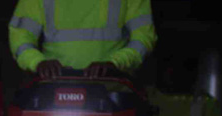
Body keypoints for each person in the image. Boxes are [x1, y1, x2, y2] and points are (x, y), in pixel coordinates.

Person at [9, 0, 157, 79]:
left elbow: (144, 38)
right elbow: (21, 37)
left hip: (114, 88)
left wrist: (116, 64)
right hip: (54, 86)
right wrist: (38, 63)